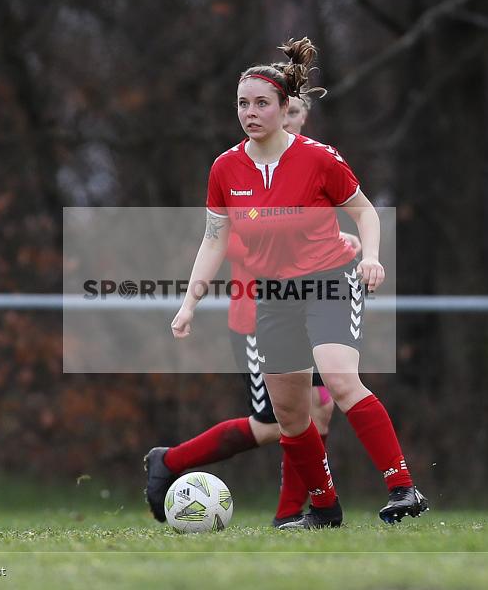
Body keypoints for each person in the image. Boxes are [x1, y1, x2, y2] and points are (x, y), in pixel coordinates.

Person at [167, 37, 428, 529]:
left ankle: (403, 488)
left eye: (261, 103)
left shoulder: (319, 158)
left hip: (329, 279)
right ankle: (325, 510)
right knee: (289, 416)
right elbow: (214, 239)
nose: (250, 112)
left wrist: (370, 257)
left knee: (338, 378)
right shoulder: (226, 167)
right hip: (273, 294)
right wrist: (188, 303)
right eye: (243, 103)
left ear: (286, 108)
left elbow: (365, 212)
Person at [143, 93, 357, 527]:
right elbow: (234, 238)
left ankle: (292, 516)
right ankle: (170, 461)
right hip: (259, 316)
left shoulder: (313, 164)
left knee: (319, 410)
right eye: (282, 111)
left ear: (301, 115)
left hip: (312, 307)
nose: (287, 120)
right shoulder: (239, 170)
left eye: (296, 112)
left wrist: (342, 248)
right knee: (276, 424)